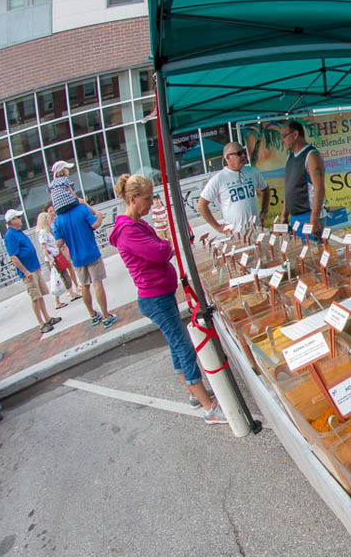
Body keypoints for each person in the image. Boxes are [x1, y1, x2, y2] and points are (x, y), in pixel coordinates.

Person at [110, 173, 226, 424]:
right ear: (132, 199)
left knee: (176, 345)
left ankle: (193, 393)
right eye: (147, 198)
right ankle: (209, 408)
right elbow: (160, 250)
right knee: (184, 346)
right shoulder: (128, 230)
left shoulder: (137, 224)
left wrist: (164, 244)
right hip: (155, 298)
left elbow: (162, 246)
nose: (152, 203)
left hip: (161, 294)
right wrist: (165, 244)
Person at [53, 200, 116, 328]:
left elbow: (58, 243)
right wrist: (98, 216)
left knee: (85, 286)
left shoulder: (58, 220)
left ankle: (93, 315)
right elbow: (95, 224)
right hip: (91, 252)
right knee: (97, 283)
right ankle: (105, 317)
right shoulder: (81, 209)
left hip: (76, 258)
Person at [4, 210, 61, 334]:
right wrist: (25, 271)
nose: (21, 219)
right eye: (18, 217)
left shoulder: (19, 232)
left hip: (33, 268)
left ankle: (47, 318)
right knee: (35, 297)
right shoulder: (10, 236)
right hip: (27, 271)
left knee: (40, 295)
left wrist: (36, 266)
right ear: (12, 220)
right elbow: (13, 256)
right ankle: (41, 324)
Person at [197, 143, 269, 233]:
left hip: (256, 229)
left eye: (244, 152)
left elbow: (265, 189)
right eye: (239, 153)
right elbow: (201, 205)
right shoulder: (219, 179)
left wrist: (264, 210)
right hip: (235, 233)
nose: (243, 155)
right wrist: (217, 227)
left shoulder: (252, 171)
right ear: (227, 158)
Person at [279, 120, 326, 240]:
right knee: (301, 254)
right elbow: (289, 188)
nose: (281, 140)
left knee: (315, 254)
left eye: (284, 136)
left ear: (295, 134)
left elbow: (319, 189)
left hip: (309, 216)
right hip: (295, 218)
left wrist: (314, 220)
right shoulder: (290, 157)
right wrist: (284, 215)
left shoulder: (311, 155)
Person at [35, 211, 82, 308]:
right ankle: (59, 300)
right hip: (53, 258)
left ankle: (70, 293)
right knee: (58, 278)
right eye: (47, 218)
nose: (50, 220)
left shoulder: (46, 231)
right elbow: (43, 247)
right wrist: (50, 259)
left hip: (56, 255)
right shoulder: (43, 232)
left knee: (63, 276)